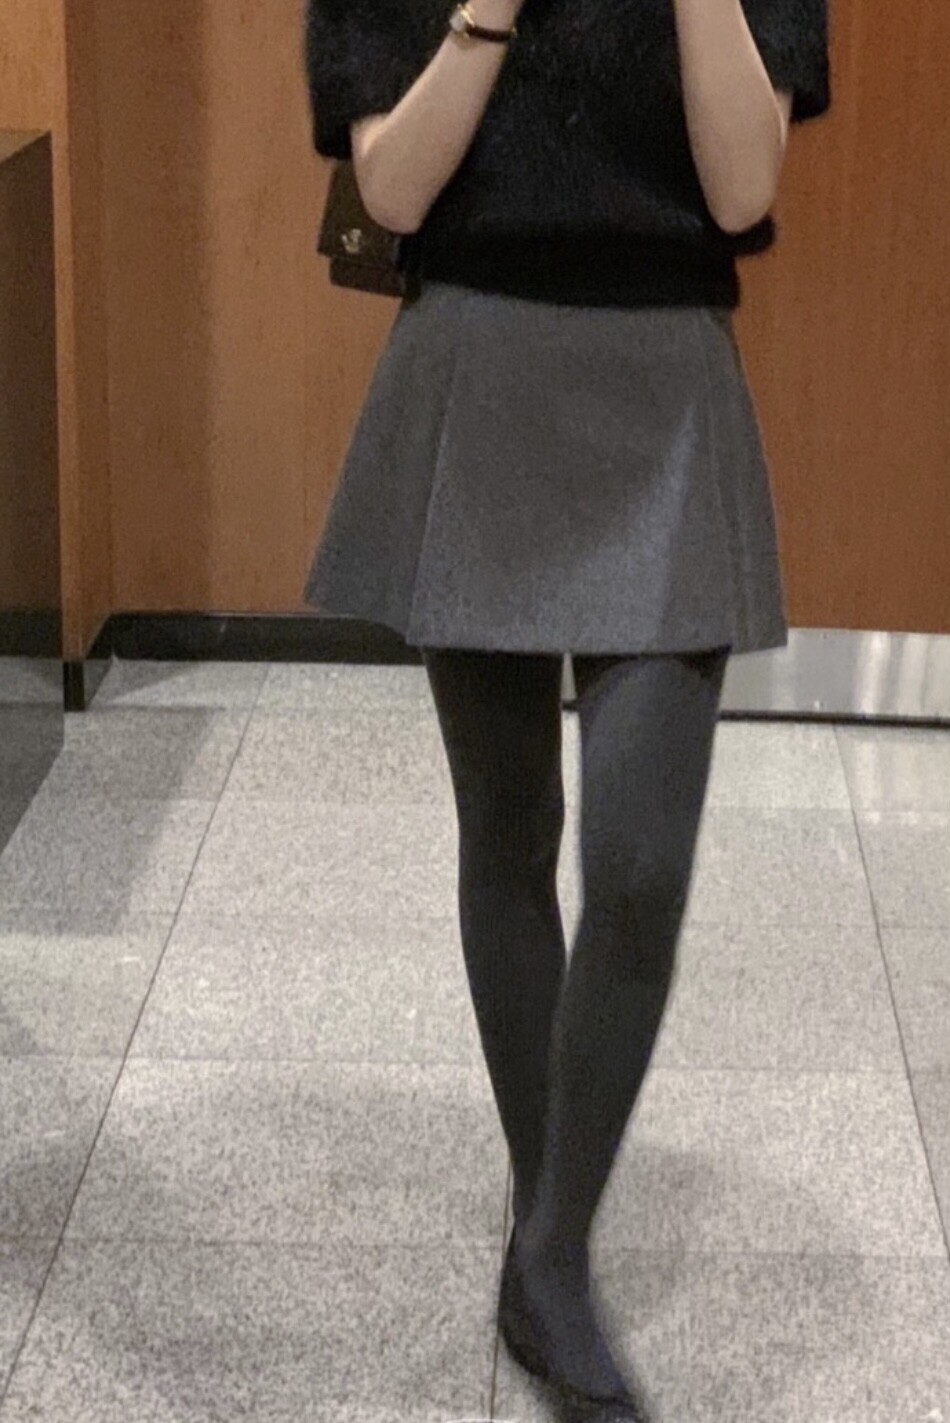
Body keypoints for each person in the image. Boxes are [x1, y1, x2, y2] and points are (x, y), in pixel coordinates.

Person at [302, 0, 831, 1413]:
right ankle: (555, 1241)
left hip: (667, 388)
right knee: (509, 828)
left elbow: (742, 188)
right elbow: (391, 191)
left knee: (640, 868)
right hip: (474, 365)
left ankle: (546, 1248)